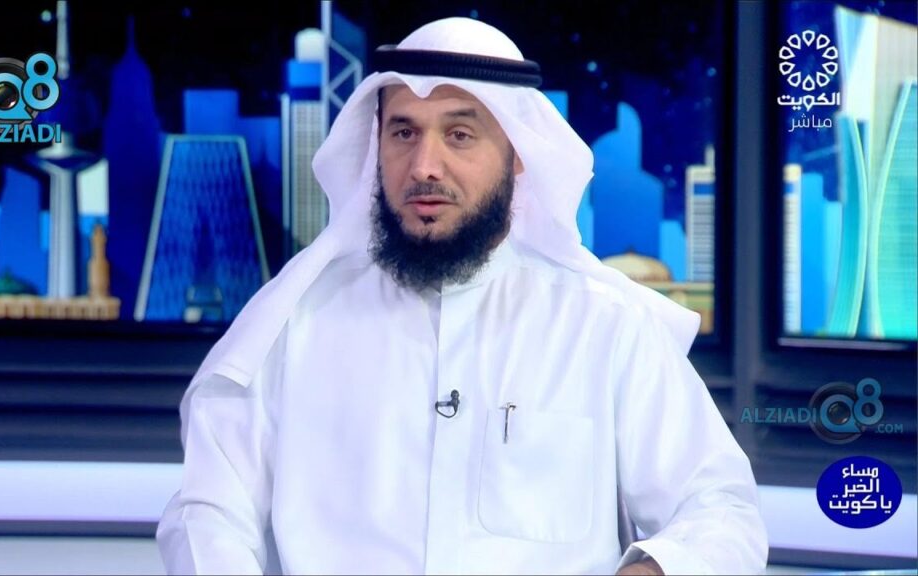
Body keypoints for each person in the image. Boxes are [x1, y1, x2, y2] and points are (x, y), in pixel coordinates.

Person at [157, 17, 768, 575]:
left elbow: (721, 509)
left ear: (517, 155)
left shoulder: (605, 325)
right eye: (404, 132)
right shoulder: (294, 323)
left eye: (459, 134)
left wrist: (655, 570)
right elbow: (207, 512)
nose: (425, 165)